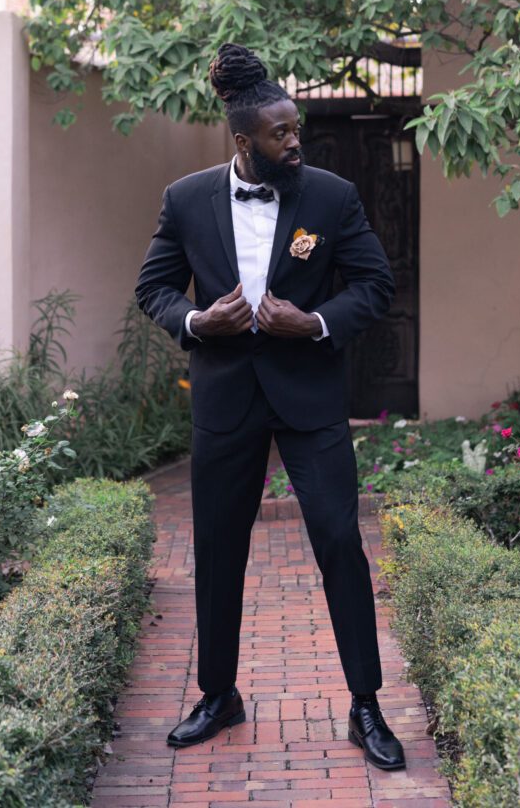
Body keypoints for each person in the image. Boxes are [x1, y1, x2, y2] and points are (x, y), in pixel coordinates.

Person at [135, 42, 405, 771]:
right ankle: (218, 694)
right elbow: (153, 288)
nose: (296, 141)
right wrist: (195, 323)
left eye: (297, 129)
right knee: (218, 551)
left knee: (340, 543)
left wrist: (313, 323)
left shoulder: (331, 196)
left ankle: (366, 706)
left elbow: (374, 286)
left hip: (310, 399)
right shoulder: (186, 199)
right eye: (282, 133)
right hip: (225, 402)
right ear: (243, 138)